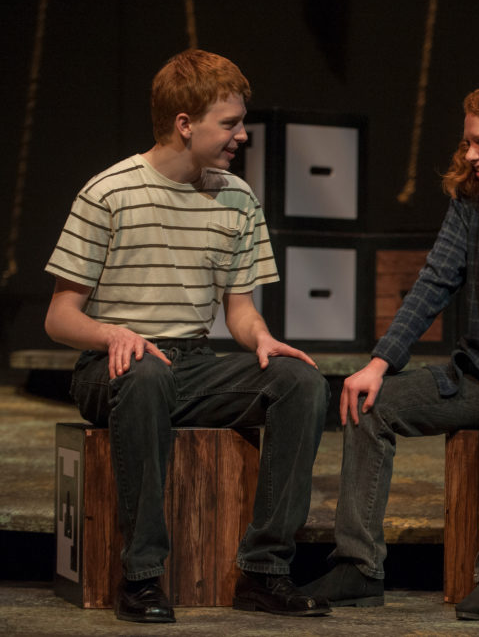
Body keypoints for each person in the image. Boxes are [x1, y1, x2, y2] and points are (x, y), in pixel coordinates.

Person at [44, 49, 331, 624]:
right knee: (146, 373)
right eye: (229, 124)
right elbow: (59, 318)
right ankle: (143, 576)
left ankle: (265, 569)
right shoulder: (108, 194)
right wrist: (111, 334)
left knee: (300, 381)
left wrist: (262, 339)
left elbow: (240, 310)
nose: (242, 136)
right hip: (113, 369)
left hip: (193, 363)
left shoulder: (237, 198)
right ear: (184, 124)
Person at [303, 79, 479, 619]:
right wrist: (379, 364)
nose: (470, 155)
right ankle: (358, 565)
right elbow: (432, 283)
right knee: (370, 404)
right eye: (467, 143)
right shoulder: (472, 205)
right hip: (472, 375)